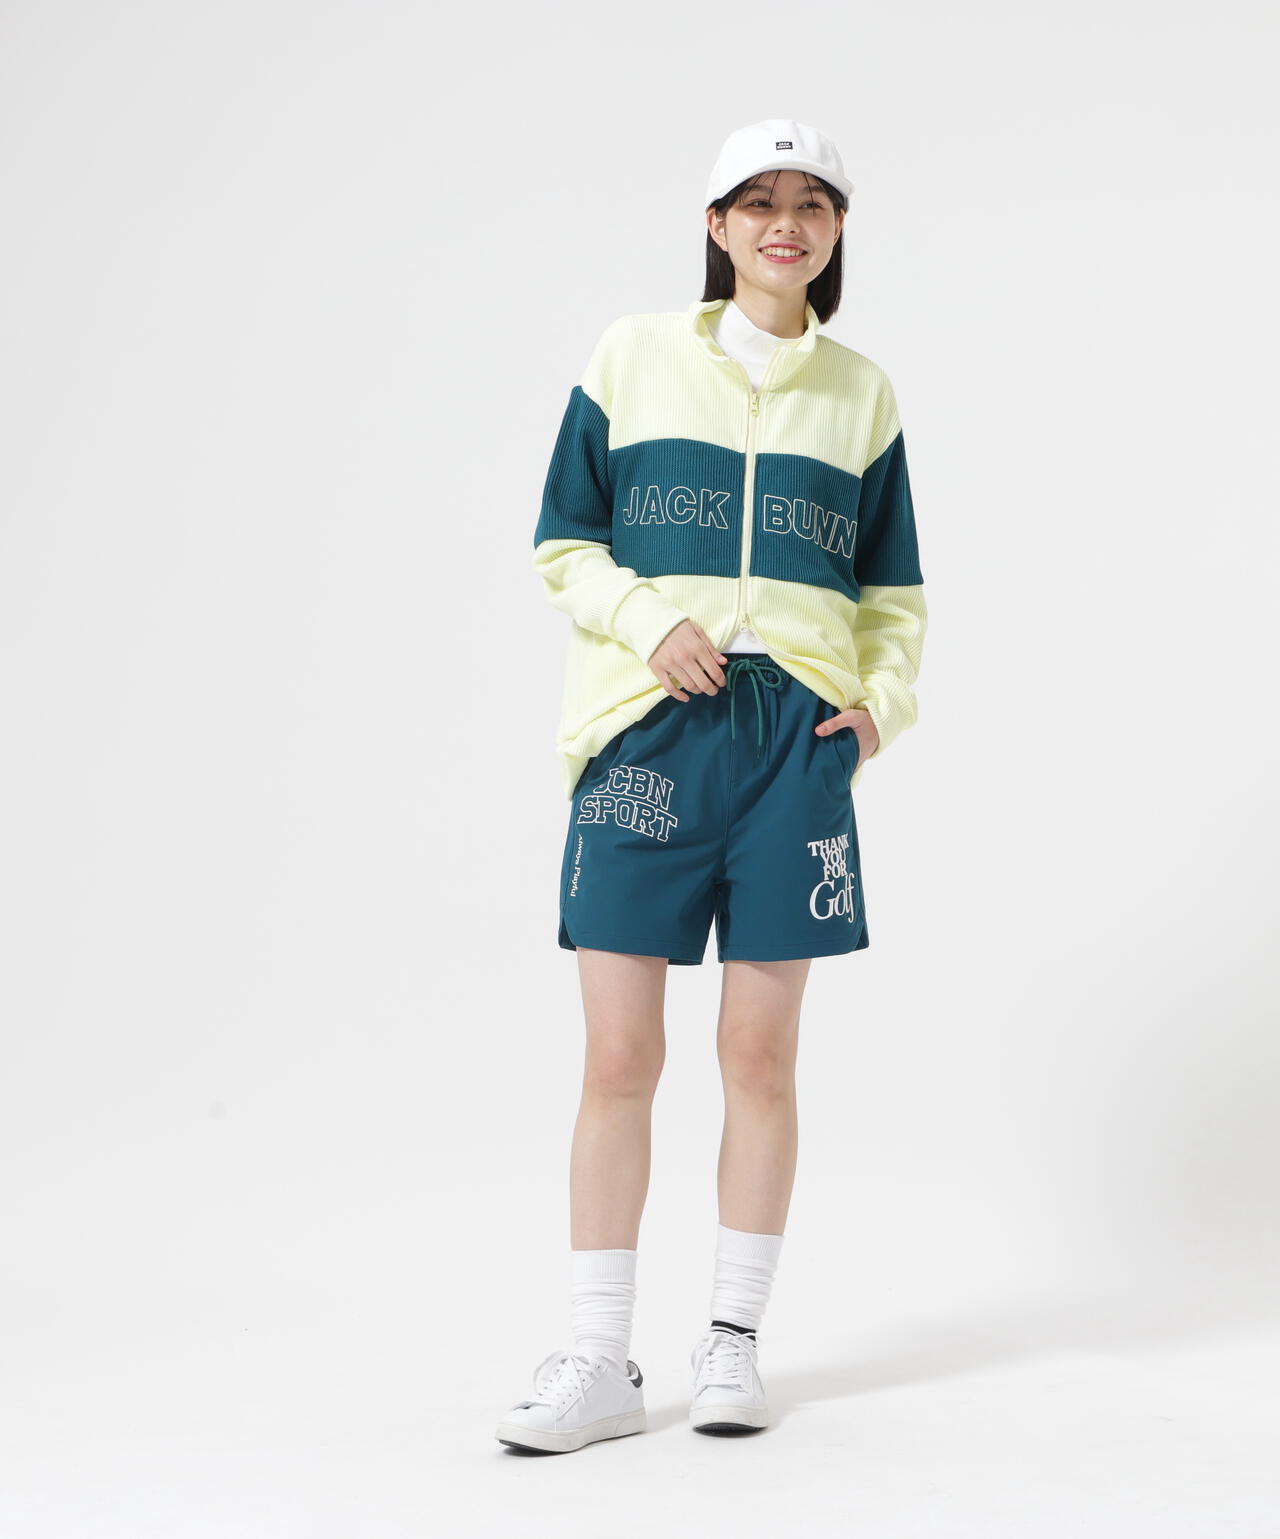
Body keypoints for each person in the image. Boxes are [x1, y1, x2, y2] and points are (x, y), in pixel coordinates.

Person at [495, 118, 927, 1454]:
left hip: (795, 745)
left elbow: (893, 594)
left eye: (812, 204)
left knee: (760, 1056)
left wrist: (876, 714)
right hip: (648, 731)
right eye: (758, 202)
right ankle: (597, 1360)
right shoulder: (632, 356)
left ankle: (732, 1341)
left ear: (837, 231)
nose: (785, 224)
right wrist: (647, 622)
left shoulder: (860, 394)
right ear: (717, 225)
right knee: (621, 1056)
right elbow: (564, 542)